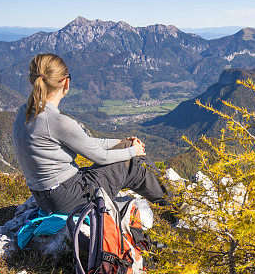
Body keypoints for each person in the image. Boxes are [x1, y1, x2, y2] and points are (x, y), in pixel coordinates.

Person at [12, 53, 169, 215]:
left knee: (128, 148)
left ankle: (168, 199)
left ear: (33, 81)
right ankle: (174, 207)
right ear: (66, 83)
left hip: (46, 198)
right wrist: (134, 151)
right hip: (71, 198)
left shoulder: (24, 112)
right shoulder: (58, 122)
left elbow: (84, 142)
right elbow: (101, 157)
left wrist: (121, 142)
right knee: (136, 166)